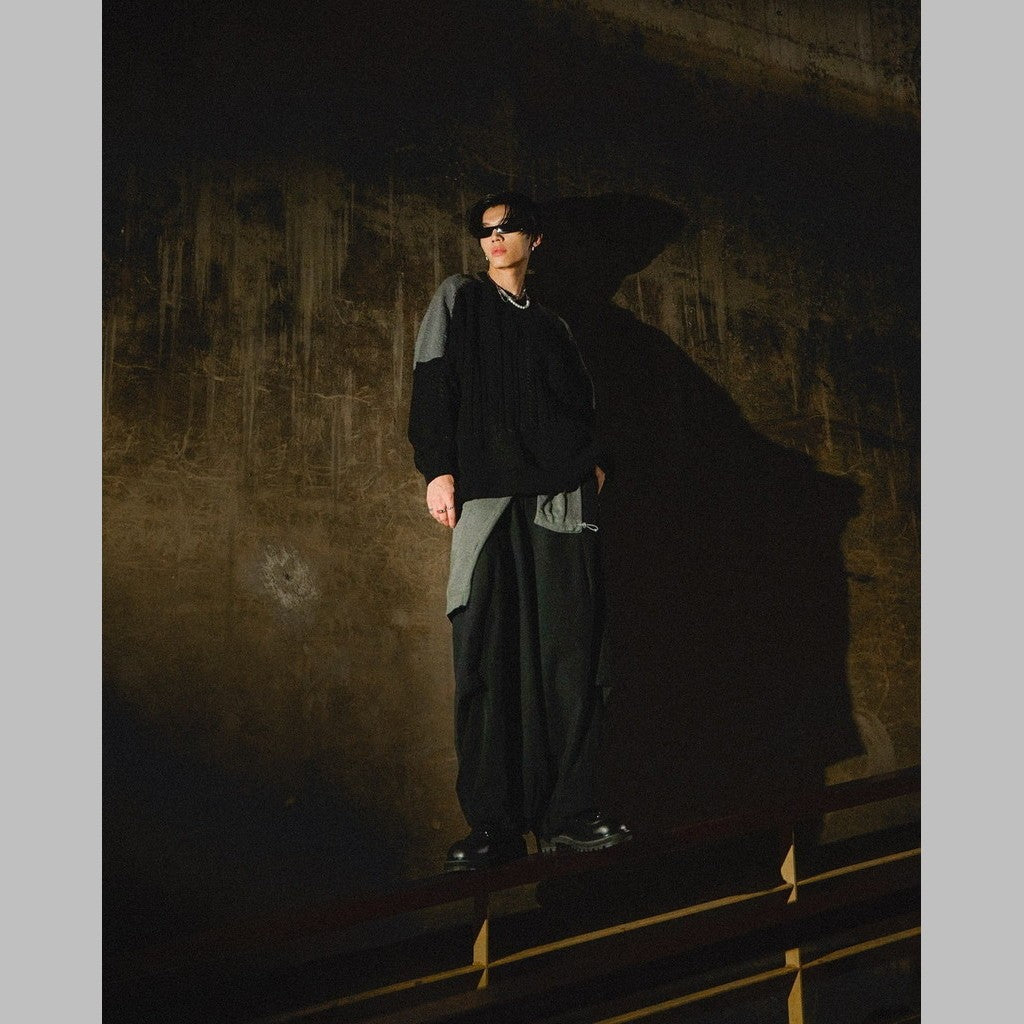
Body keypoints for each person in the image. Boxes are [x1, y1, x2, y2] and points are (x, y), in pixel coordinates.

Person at [408, 191, 631, 871]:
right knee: (485, 654)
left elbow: (584, 407)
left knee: (571, 661)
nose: (494, 238)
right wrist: (437, 468)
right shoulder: (459, 298)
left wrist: (594, 465)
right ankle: (495, 827)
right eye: (486, 231)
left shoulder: (556, 327)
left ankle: (570, 815)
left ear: (535, 240)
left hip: (560, 503)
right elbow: (432, 382)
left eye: (507, 229)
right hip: (489, 498)